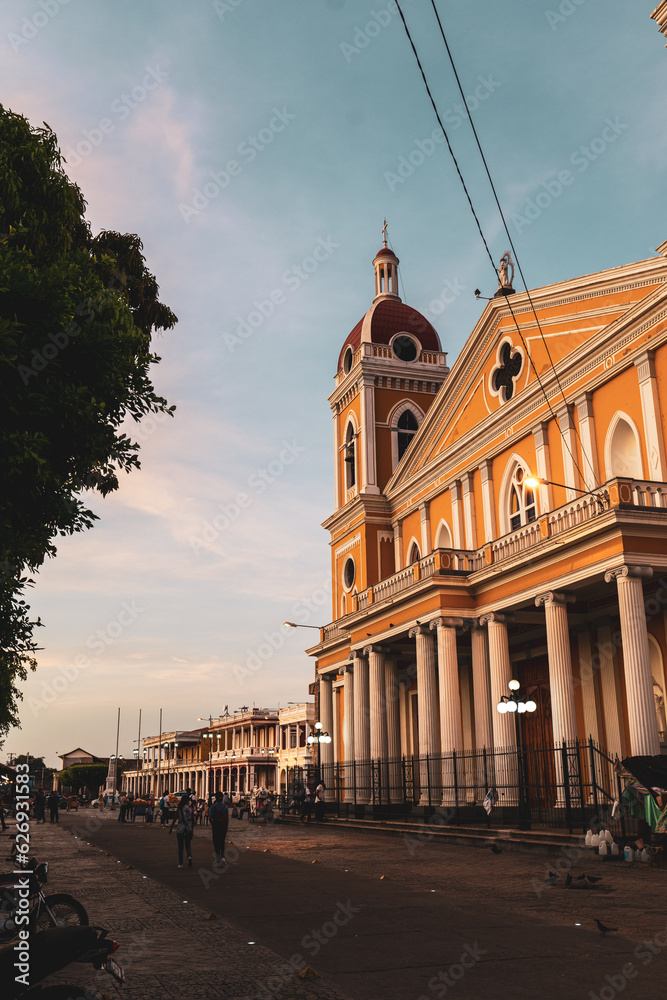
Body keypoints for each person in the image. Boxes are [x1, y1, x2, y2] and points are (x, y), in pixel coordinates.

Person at [170, 795, 194, 868]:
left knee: (180, 847)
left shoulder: (179, 808)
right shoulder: (190, 809)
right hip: (188, 829)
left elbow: (175, 818)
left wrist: (171, 827)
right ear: (187, 801)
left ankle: (181, 864)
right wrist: (191, 829)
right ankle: (189, 857)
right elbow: (193, 820)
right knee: (188, 845)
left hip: (180, 829)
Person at [208, 791, 229, 865]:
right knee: (222, 842)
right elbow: (227, 818)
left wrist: (213, 824)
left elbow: (210, 817)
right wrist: (226, 827)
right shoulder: (225, 807)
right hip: (223, 826)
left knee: (216, 843)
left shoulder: (213, 807)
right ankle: (223, 857)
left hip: (216, 826)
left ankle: (218, 859)